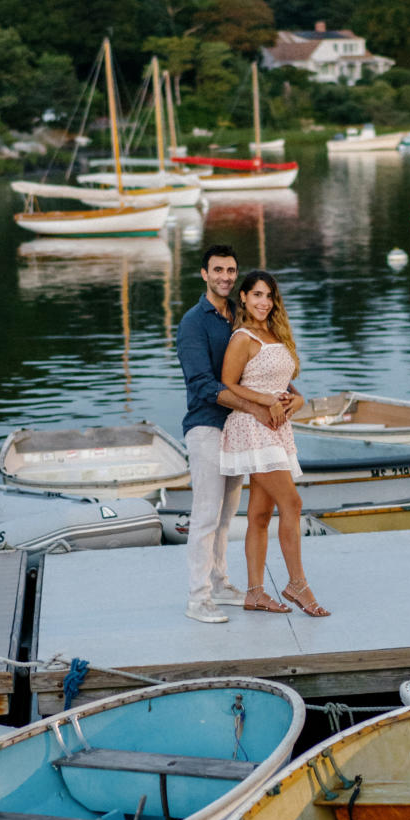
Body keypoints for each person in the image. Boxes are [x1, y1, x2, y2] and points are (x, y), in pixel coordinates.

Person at [176, 245, 279, 624]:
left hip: (236, 429)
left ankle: (219, 583)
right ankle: (197, 598)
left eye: (231, 270)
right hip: (206, 426)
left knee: (225, 516)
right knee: (205, 515)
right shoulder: (193, 322)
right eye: (217, 270)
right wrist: (255, 407)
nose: (225, 276)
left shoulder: (237, 315)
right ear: (204, 274)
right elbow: (202, 384)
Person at [220, 270, 330, 617]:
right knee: (293, 503)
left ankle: (254, 593)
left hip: (277, 429)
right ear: (243, 298)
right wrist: (266, 403)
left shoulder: (274, 332)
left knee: (261, 513)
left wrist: (296, 402)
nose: (263, 302)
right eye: (256, 295)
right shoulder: (242, 337)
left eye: (268, 296)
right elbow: (228, 383)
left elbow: (288, 386)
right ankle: (297, 583)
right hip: (252, 427)